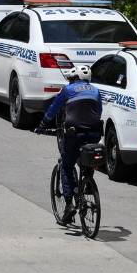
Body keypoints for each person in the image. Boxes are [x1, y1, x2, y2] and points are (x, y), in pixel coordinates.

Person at [35, 65, 102, 224]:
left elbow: (53, 109)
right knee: (87, 161)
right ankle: (87, 183)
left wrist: (42, 124)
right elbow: (98, 111)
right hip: (94, 133)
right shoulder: (96, 91)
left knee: (66, 165)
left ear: (75, 78)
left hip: (74, 133)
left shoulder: (68, 90)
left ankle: (69, 205)